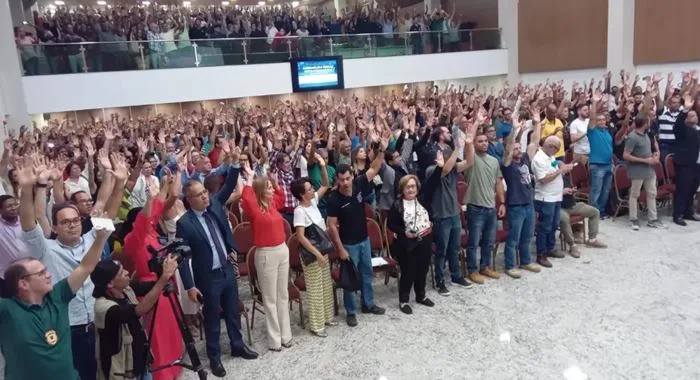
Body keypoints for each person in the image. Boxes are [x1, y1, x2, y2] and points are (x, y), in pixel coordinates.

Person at [18, 154, 127, 380]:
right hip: (67, 328)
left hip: (95, 322)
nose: (72, 225)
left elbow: (110, 212)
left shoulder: (90, 240)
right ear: (55, 228)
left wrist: (120, 182)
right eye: (65, 222)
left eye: (75, 220)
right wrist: (28, 188)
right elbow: (29, 223)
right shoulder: (45, 250)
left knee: (102, 371)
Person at [177, 153, 257, 379]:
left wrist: (233, 164)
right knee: (212, 317)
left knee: (232, 311)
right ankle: (214, 357)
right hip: (208, 277)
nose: (205, 197)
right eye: (199, 195)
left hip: (226, 268)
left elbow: (230, 184)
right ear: (189, 200)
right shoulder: (185, 224)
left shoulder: (214, 204)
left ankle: (237, 345)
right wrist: (190, 286)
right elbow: (182, 258)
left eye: (204, 192)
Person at [0, 221, 110, 379]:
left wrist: (100, 240)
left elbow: (85, 267)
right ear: (23, 283)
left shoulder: (58, 296)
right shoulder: (6, 309)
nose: (49, 274)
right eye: (41, 273)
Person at [122, 172, 182, 380]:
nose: (152, 219)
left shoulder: (152, 232)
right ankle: (162, 373)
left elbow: (157, 208)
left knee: (170, 332)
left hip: (165, 282)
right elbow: (147, 216)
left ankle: (175, 367)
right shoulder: (133, 239)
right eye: (146, 218)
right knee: (157, 334)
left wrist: (165, 186)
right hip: (150, 288)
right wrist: (149, 198)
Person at [327, 138, 387, 327]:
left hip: (364, 240)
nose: (345, 183)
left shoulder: (360, 183)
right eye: (341, 180)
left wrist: (381, 151)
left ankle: (368, 304)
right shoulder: (333, 199)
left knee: (367, 275)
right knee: (350, 280)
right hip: (348, 244)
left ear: (352, 175)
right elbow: (331, 226)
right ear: (337, 179)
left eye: (348, 178)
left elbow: (375, 167)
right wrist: (340, 249)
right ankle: (351, 312)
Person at [91, 255, 178, 380]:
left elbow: (151, 287)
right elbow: (138, 310)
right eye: (121, 272)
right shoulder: (103, 307)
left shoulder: (125, 289)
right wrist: (164, 278)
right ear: (110, 283)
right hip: (121, 371)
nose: (127, 273)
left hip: (140, 362)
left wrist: (162, 271)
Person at [240, 162, 293, 352]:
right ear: (261, 191)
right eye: (268, 187)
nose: (272, 190)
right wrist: (249, 178)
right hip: (266, 255)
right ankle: (275, 339)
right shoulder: (254, 208)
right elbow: (246, 198)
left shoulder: (272, 205)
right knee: (270, 298)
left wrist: (276, 183)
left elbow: (282, 197)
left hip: (281, 250)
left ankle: (286, 335)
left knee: (283, 295)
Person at [427, 118, 483, 296]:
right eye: (443, 152)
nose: (446, 153)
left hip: (453, 213)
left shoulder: (451, 169)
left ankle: (456, 276)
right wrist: (457, 147)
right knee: (441, 250)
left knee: (454, 248)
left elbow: (469, 162)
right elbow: (444, 169)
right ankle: (440, 281)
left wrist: (468, 142)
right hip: (441, 216)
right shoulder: (431, 171)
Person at [290, 154, 337, 337]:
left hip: (322, 249)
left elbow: (326, 184)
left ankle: (326, 317)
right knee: (315, 290)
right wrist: (316, 253)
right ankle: (316, 325)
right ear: (302, 194)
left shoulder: (314, 202)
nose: (312, 190)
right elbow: (300, 237)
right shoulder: (299, 211)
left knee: (325, 285)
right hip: (312, 254)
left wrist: (323, 165)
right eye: (309, 189)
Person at [500, 109, 542, 278]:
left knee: (527, 235)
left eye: (519, 147)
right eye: (515, 148)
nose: (518, 150)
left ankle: (525, 261)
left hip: (528, 203)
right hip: (516, 205)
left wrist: (537, 123)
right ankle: (510, 265)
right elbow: (509, 148)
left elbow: (534, 142)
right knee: (513, 238)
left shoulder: (524, 159)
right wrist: (514, 130)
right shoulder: (507, 165)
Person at [386, 174, 436, 314]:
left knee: (423, 269)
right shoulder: (397, 205)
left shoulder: (422, 200)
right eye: (408, 187)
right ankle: (404, 300)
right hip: (407, 243)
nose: (411, 189)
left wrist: (439, 167)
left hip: (425, 239)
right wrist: (404, 232)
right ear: (402, 189)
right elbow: (391, 224)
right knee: (408, 272)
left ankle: (421, 295)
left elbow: (432, 183)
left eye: (413, 186)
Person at [463, 121, 506, 285]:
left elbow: (498, 183)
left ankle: (485, 266)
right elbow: (468, 145)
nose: (484, 143)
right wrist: (474, 126)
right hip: (475, 206)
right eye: (480, 141)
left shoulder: (494, 161)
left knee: (489, 240)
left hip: (490, 206)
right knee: (474, 242)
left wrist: (501, 203)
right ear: (475, 144)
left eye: (485, 141)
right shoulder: (471, 159)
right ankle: (472, 270)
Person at [531, 135, 574, 268]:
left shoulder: (550, 156)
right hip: (545, 198)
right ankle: (541, 254)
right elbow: (543, 179)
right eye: (557, 149)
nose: (557, 152)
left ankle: (550, 248)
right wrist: (561, 171)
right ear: (551, 147)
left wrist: (561, 164)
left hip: (555, 197)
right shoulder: (538, 159)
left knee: (554, 224)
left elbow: (555, 163)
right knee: (544, 226)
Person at [623, 115, 663, 230]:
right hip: (637, 171)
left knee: (652, 194)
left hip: (649, 170)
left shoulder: (646, 135)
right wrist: (645, 160)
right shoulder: (632, 137)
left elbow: (647, 152)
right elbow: (625, 155)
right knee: (635, 195)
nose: (650, 123)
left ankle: (652, 218)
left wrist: (653, 156)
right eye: (649, 121)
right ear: (645, 123)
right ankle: (633, 219)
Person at [559, 174, 607, 257]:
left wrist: (572, 190)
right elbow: (547, 195)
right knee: (563, 219)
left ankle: (592, 240)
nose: (566, 168)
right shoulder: (549, 180)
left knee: (595, 212)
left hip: (572, 205)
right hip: (559, 207)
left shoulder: (565, 177)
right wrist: (562, 192)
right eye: (564, 167)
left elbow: (569, 192)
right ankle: (572, 245)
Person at [671, 97, 700, 226]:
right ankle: (678, 214)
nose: (695, 117)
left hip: (696, 164)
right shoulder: (683, 129)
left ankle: (688, 212)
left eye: (696, 115)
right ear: (687, 119)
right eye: (691, 116)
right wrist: (685, 110)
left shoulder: (697, 130)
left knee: (692, 189)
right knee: (683, 189)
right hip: (685, 164)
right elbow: (677, 124)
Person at [586, 92, 614, 217]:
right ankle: (593, 212)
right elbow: (592, 118)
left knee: (606, 190)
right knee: (596, 190)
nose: (602, 121)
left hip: (608, 165)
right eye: (599, 120)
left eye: (603, 119)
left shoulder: (607, 132)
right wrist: (594, 102)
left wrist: (612, 163)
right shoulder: (592, 131)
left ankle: (601, 211)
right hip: (597, 166)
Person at [0, 195, 30, 296]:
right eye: (9, 206)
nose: (13, 208)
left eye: (15, 204)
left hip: (30, 273)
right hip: (7, 277)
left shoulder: (26, 221)